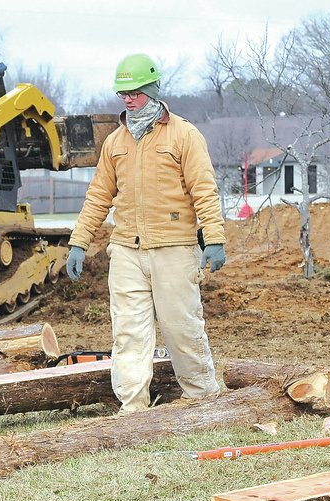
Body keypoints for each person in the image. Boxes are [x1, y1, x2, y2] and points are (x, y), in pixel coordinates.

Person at [66, 53, 226, 415]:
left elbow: (204, 189)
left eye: (135, 91)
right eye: (123, 92)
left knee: (182, 328)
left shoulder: (184, 135)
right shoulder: (115, 142)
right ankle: (133, 407)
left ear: (152, 89)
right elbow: (98, 196)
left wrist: (214, 237)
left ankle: (202, 398)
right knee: (129, 333)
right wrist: (79, 242)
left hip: (174, 247)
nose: (128, 98)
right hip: (125, 251)